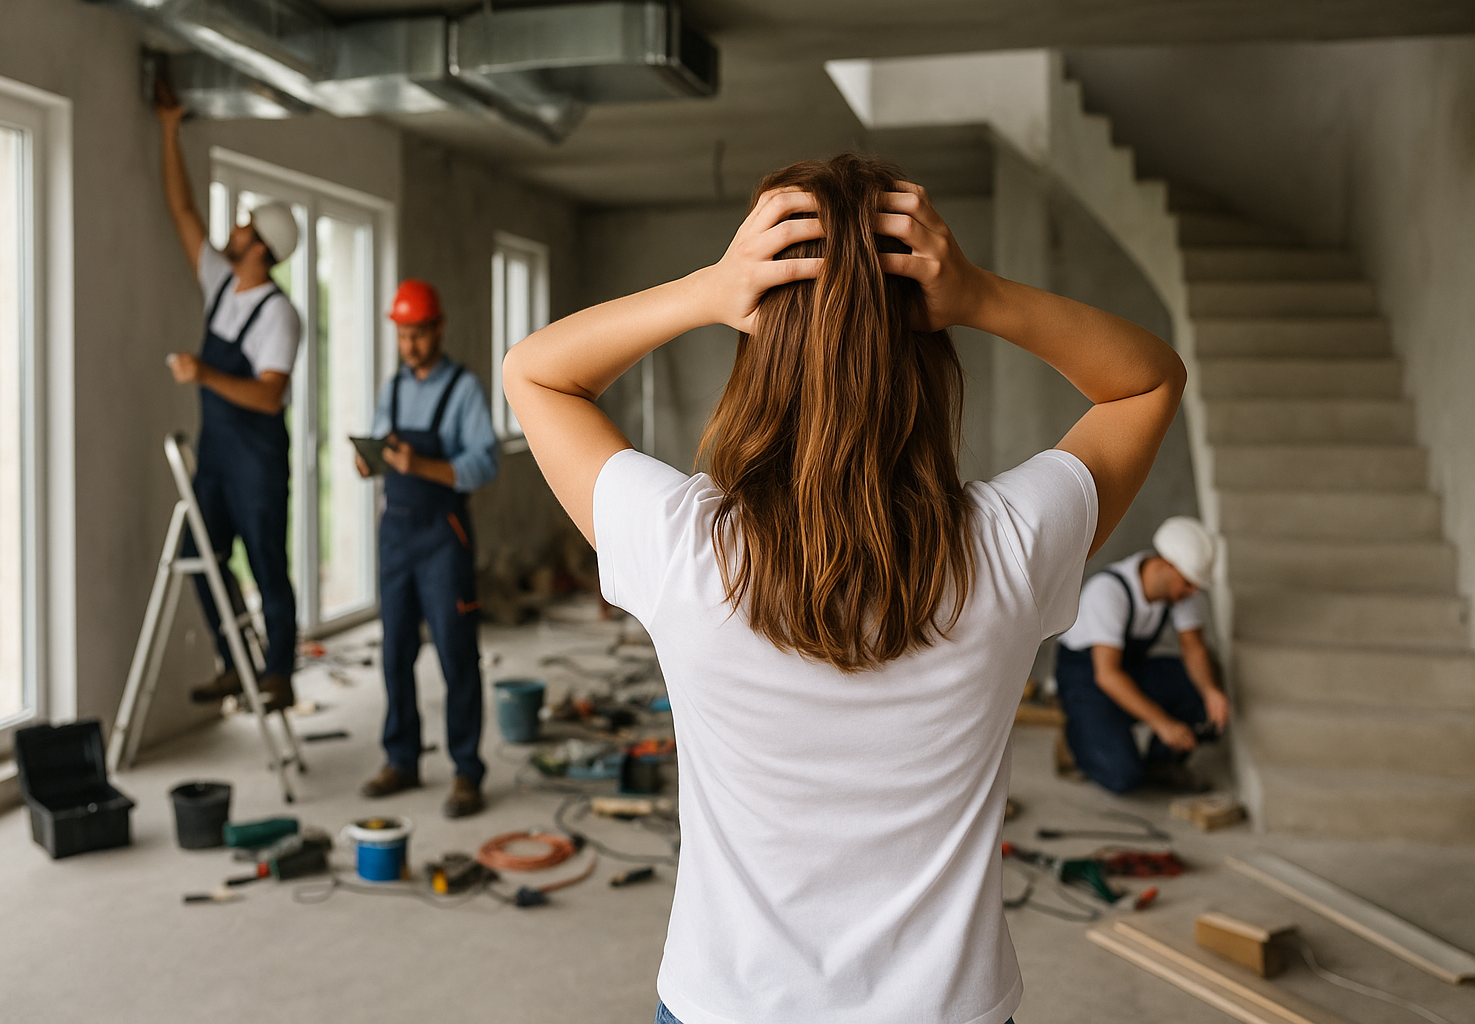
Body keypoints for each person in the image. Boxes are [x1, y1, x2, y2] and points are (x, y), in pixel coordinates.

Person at [502, 153, 1185, 1024]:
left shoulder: (686, 546)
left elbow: (535, 372)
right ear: (928, 351)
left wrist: (707, 290)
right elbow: (1148, 378)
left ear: (759, 347)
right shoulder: (1008, 545)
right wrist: (980, 296)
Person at [156, 88, 302, 711]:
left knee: (267, 563)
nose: (233, 230)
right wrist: (169, 130)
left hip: (258, 459)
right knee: (200, 554)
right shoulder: (220, 284)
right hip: (216, 457)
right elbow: (182, 209)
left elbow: (270, 397)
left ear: (261, 248)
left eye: (244, 226)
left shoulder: (279, 315)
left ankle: (278, 673)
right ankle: (235, 660)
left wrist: (204, 376)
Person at [356, 280, 500, 818]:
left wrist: (422, 467)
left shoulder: (464, 389)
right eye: (403, 335)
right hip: (394, 534)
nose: (411, 344)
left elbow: (484, 463)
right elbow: (379, 444)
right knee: (394, 652)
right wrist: (368, 459)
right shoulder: (391, 389)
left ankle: (467, 771)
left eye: (419, 334)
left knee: (456, 653)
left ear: (438, 329)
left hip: (443, 536)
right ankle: (402, 758)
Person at [1054, 516, 1230, 794]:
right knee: (1123, 777)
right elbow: (1108, 675)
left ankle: (1162, 763)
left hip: (1128, 670)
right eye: (1187, 583)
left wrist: (1210, 692)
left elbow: (1194, 648)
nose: (1192, 592)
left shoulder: (1180, 593)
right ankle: (1078, 738)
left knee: (1200, 682)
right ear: (1166, 565)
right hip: (1089, 680)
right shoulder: (1108, 592)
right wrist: (1163, 723)